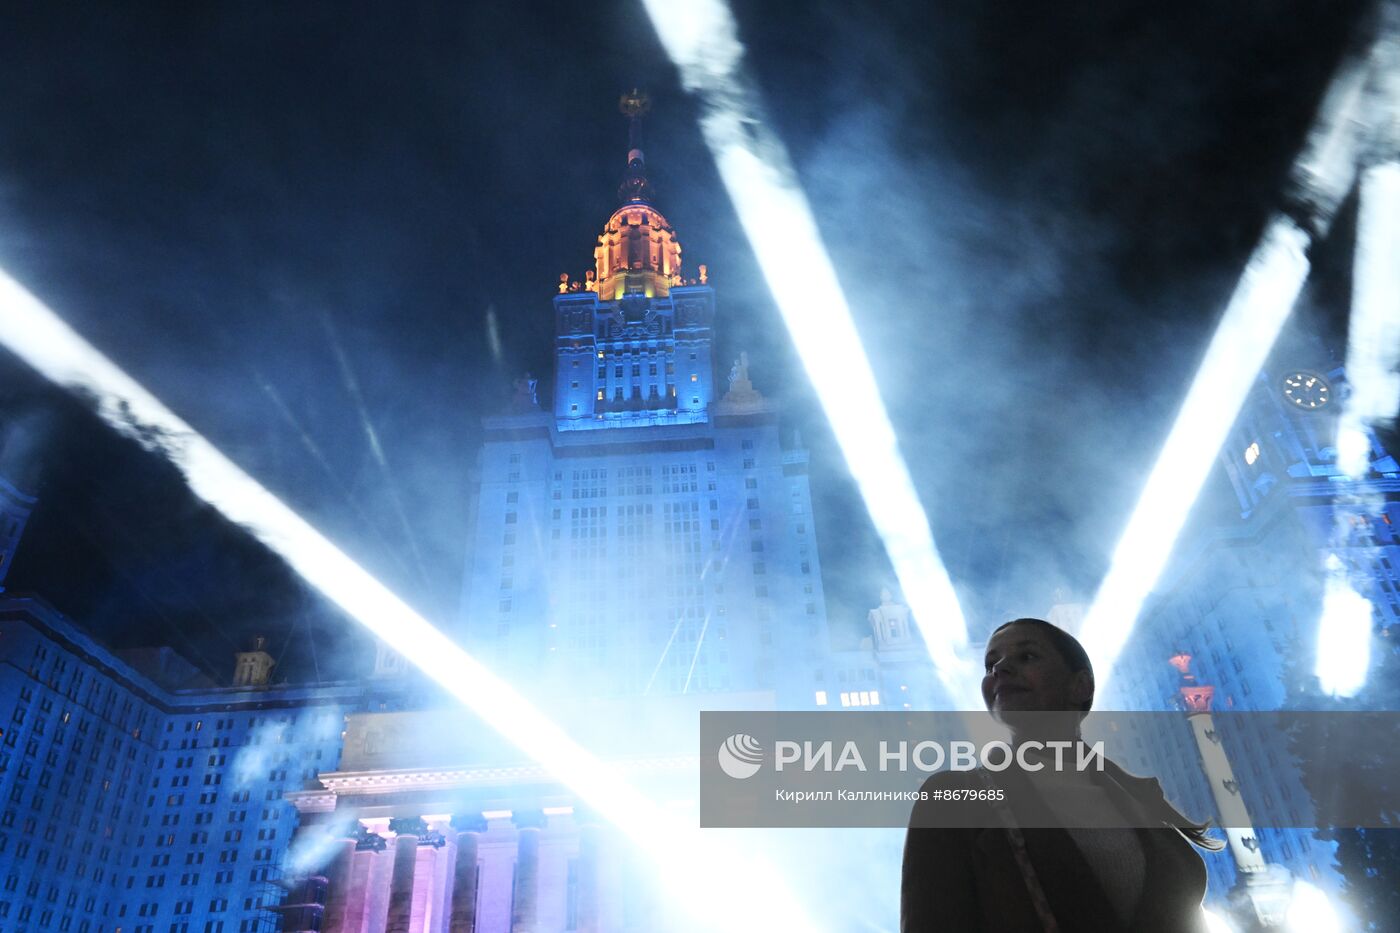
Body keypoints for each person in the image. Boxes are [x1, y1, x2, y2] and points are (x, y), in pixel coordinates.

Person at [900, 618, 1223, 932]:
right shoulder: (956, 795)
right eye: (990, 664)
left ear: (1080, 685)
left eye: (1027, 656)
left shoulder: (1137, 796)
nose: (1000, 669)